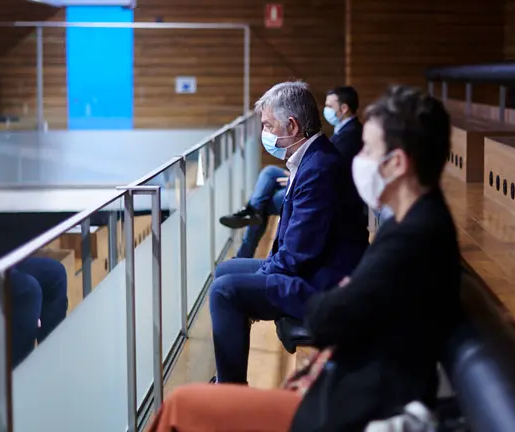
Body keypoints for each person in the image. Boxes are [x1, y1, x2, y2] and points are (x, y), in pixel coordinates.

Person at [148, 86, 461, 431]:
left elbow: (330, 317)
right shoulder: (415, 223)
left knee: (179, 405)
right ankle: (229, 388)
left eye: (368, 150)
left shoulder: (412, 237)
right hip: (341, 387)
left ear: (397, 163)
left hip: (343, 407)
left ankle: (229, 389)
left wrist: (342, 293)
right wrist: (346, 293)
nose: (358, 159)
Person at [210, 81, 368, 384]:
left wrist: (265, 274)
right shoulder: (312, 156)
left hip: (323, 284)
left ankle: (229, 392)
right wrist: (266, 271)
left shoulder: (320, 168)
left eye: (268, 125)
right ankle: (226, 378)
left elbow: (298, 253)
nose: (265, 133)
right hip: (314, 268)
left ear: (292, 125)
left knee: (224, 291)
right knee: (226, 272)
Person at [220, 85, 364, 258]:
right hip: (309, 177)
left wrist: (295, 176)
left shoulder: (350, 136)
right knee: (269, 172)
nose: (264, 133)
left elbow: (337, 169)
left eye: (268, 126)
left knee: (266, 202)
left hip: (328, 189)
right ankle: (253, 211)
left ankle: (251, 220)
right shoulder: (339, 133)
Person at [9, 256, 68, 367]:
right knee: (29, 290)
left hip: (9, 263)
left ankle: (53, 364)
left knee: (56, 273)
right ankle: (22, 375)